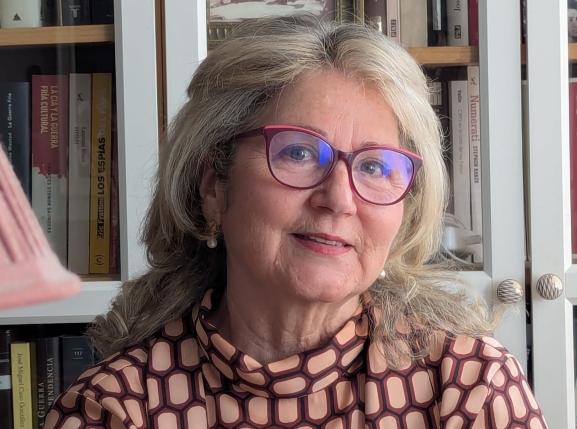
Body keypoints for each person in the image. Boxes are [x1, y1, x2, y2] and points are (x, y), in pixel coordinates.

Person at [44, 14, 546, 429]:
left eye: (374, 167)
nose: (339, 199)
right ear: (213, 185)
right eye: (299, 153)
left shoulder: (468, 386)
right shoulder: (114, 409)